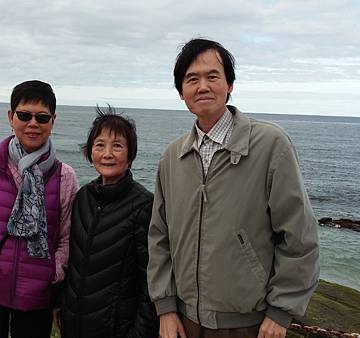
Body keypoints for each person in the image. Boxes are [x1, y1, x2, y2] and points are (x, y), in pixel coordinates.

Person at [147, 38, 320, 338]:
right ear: (181, 92)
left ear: (230, 85)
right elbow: (160, 236)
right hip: (184, 321)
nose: (203, 86)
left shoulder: (269, 145)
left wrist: (282, 311)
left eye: (212, 76)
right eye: (192, 79)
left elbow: (299, 235)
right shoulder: (172, 157)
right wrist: (166, 308)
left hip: (249, 323)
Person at [0, 80, 78, 338]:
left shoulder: (65, 176)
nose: (33, 124)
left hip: (36, 297)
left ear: (53, 121)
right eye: (24, 115)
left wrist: (54, 269)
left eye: (42, 118)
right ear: (11, 117)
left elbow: (67, 237)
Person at [56, 106, 158, 338]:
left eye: (117, 146)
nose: (107, 153)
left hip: (117, 330)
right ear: (90, 151)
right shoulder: (83, 197)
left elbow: (150, 281)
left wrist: (140, 333)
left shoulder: (143, 205)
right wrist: (61, 302)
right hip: (74, 325)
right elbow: (73, 262)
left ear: (130, 155)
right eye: (100, 145)